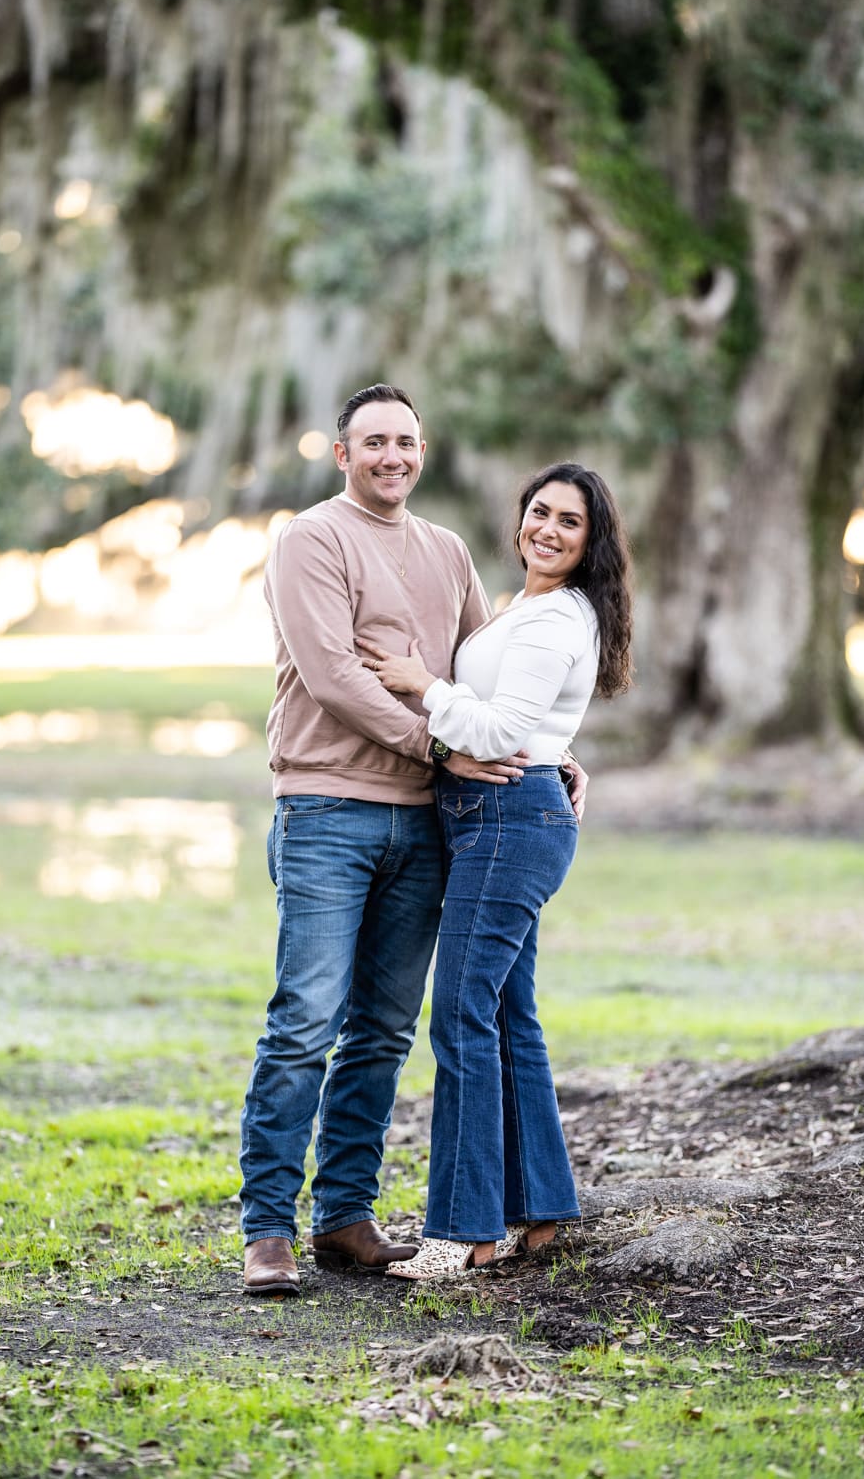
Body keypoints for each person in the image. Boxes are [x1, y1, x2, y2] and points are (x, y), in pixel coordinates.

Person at [240, 385, 585, 1296]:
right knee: (306, 1019)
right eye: (374, 442)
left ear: (421, 452)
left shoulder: (449, 550)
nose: (392, 456)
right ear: (343, 453)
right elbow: (332, 676)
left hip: (433, 820)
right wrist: (433, 743)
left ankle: (344, 1217)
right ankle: (267, 1230)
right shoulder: (310, 539)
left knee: (385, 1029)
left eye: (406, 441)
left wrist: (550, 752)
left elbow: (492, 671)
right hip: (327, 810)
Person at [359, 461, 632, 1279]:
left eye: (569, 522)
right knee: (509, 1015)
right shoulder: (535, 608)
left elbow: (504, 728)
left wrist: (421, 684)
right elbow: (534, 720)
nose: (547, 529)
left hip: (508, 823)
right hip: (505, 817)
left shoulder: (554, 620)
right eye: (539, 512)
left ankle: (466, 1231)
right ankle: (540, 1209)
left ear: (592, 542)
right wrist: (559, 752)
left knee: (462, 1016)